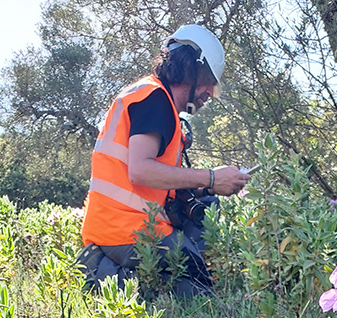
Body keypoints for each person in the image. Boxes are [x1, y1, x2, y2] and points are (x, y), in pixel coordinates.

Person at [76, 24, 249, 297]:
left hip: (124, 225)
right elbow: (141, 171)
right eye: (208, 82)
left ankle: (109, 270)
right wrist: (211, 177)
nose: (208, 94)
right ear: (192, 68)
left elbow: (157, 183)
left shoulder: (155, 99)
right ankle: (98, 273)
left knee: (203, 230)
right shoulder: (154, 98)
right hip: (126, 229)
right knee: (198, 289)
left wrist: (211, 186)